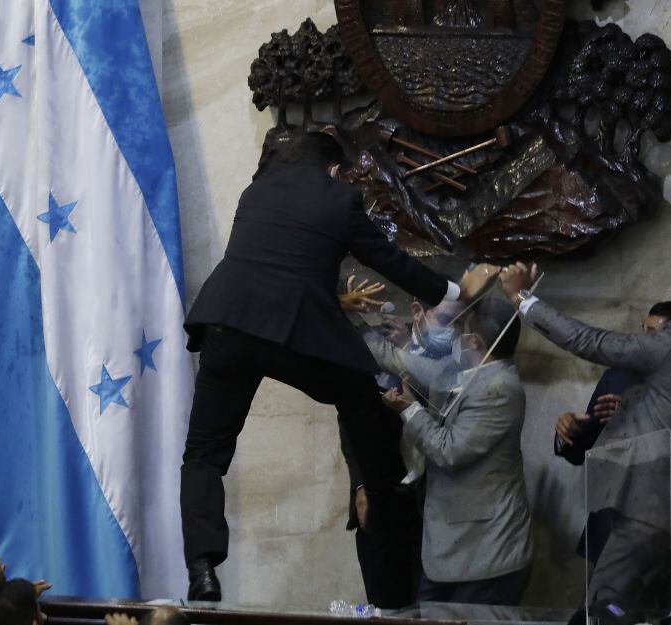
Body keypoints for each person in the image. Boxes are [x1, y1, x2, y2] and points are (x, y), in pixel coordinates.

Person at [180, 131, 497, 600]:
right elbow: (390, 261)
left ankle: (202, 567)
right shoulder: (339, 197)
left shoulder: (255, 190)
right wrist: (455, 293)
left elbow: (278, 260)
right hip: (294, 333)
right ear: (333, 170)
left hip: (227, 327)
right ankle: (384, 521)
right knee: (364, 404)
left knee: (203, 454)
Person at [498, 263, 671, 624]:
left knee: (604, 608)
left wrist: (523, 298)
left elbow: (589, 341)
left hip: (648, 516)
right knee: (658, 614)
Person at [371, 296, 534, 605]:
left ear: (473, 340)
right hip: (450, 554)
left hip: (487, 557)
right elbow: (395, 358)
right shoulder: (458, 371)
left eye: (461, 327)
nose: (454, 335)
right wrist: (347, 317)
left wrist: (410, 411)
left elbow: (450, 450)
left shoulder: (500, 388)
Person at [335, 285, 465, 610]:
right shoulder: (360, 362)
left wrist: (410, 350)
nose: (450, 329)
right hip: (379, 497)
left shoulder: (450, 363)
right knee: (387, 604)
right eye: (444, 318)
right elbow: (350, 425)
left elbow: (444, 422)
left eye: (456, 322)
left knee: (428, 606)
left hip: (429, 507)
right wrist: (360, 485)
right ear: (419, 312)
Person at [554, 301, 671, 466]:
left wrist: (634, 420)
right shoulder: (616, 378)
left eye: (652, 334)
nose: (643, 340)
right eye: (643, 329)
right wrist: (570, 432)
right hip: (620, 486)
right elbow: (583, 451)